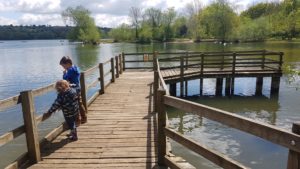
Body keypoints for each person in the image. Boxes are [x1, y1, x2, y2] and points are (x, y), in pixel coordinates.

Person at [59, 56, 87, 125]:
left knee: (75, 105)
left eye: (63, 66)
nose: (63, 67)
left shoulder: (71, 70)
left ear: (68, 63)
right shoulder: (75, 67)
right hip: (77, 87)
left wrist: (64, 73)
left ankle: (78, 121)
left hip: (73, 89)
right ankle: (84, 118)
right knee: (79, 104)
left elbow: (65, 79)